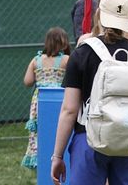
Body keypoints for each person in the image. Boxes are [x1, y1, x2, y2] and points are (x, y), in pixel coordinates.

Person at [50, 0, 128, 185]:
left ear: (99, 15)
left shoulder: (82, 54)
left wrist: (57, 156)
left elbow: (69, 110)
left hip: (89, 139)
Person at [22, 28, 73, 170]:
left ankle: (38, 159)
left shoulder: (36, 60)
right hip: (60, 99)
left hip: (39, 100)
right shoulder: (66, 60)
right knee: (59, 129)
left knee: (39, 131)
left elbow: (27, 81)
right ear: (63, 43)